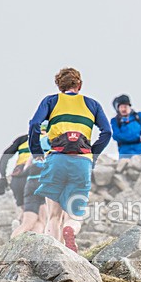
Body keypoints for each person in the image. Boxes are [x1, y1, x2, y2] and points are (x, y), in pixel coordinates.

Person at [28, 67, 111, 252]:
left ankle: (52, 255)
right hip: (82, 161)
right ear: (79, 85)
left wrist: (36, 151)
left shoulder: (51, 101)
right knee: (74, 215)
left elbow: (34, 124)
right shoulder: (92, 104)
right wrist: (92, 153)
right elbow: (107, 132)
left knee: (53, 216)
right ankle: (70, 228)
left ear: (59, 86)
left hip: (56, 159)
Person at [11, 122, 51, 238]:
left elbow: (26, 167)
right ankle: (35, 247)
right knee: (42, 221)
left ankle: (11, 245)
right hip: (45, 183)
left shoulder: (35, 144)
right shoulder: (53, 141)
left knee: (27, 223)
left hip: (30, 183)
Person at [110, 94, 141, 159]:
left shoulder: (138, 116)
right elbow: (116, 136)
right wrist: (138, 138)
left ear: (129, 106)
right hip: (125, 153)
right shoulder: (115, 121)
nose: (123, 109)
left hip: (139, 151)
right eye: (121, 107)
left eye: (125, 107)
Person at [0, 133, 33, 210]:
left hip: (18, 176)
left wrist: (3, 176)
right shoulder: (50, 138)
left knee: (26, 210)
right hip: (35, 173)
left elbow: (5, 156)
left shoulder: (22, 139)